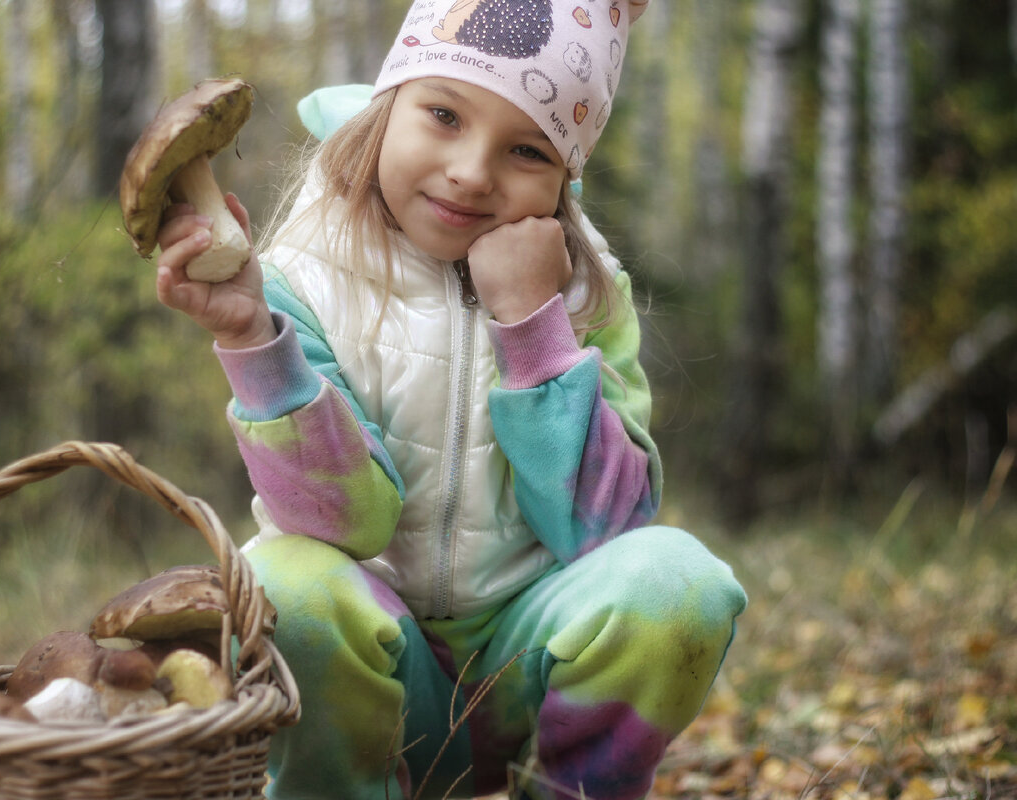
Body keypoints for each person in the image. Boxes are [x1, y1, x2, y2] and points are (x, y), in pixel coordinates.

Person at [153, 2, 747, 798]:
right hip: (373, 682)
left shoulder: (586, 295)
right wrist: (256, 341)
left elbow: (607, 530)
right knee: (282, 584)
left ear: (565, 176)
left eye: (528, 148)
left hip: (529, 675)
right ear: (386, 105)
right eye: (442, 114)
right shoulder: (304, 276)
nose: (471, 170)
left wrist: (535, 327)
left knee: (679, 582)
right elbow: (342, 523)